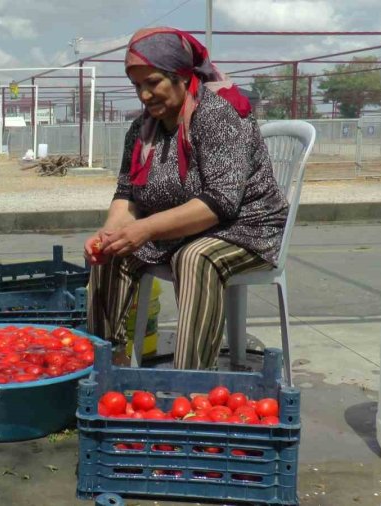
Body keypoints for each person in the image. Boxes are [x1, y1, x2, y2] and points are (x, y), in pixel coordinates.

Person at [84, 28, 289, 370]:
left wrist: (146, 229)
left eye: (152, 82)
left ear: (180, 76)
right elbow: (127, 195)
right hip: (178, 229)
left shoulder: (217, 114)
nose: (145, 95)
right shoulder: (142, 129)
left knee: (194, 258)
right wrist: (110, 234)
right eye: (137, 87)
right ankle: (105, 361)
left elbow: (220, 203)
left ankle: (191, 383)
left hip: (245, 228)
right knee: (111, 251)